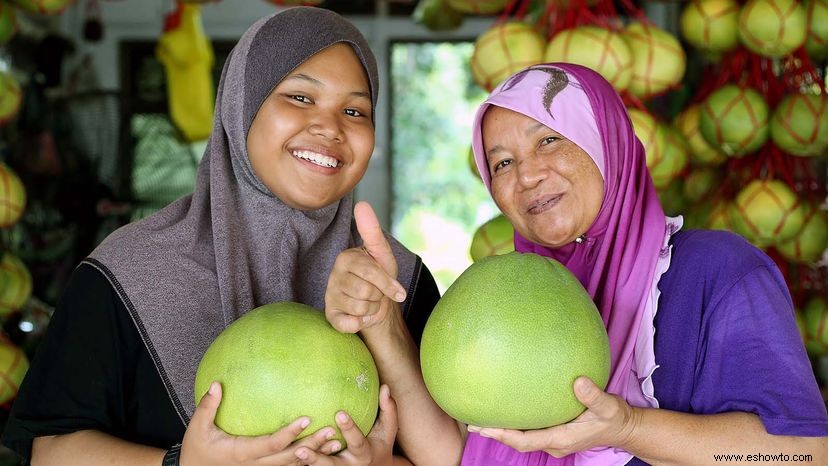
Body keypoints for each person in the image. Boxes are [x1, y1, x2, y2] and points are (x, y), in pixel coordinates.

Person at [1, 7, 457, 466]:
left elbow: (459, 457)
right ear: (241, 107)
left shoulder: (395, 280)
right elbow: (52, 452)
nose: (330, 127)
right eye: (300, 97)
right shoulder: (128, 271)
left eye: (355, 109)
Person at [454, 63, 828, 465]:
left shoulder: (719, 272)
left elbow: (804, 455)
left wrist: (629, 428)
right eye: (502, 164)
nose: (526, 176)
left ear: (606, 142)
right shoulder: (509, 305)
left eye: (548, 140)